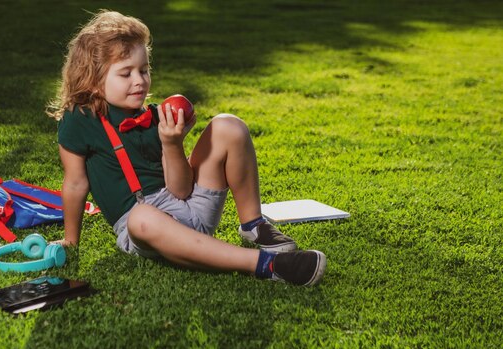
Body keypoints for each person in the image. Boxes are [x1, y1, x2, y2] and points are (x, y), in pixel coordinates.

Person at [47, 10, 326, 286]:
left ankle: (254, 225)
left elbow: (180, 190)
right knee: (141, 217)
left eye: (144, 70)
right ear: (94, 81)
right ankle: (267, 265)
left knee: (228, 126)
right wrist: (71, 239)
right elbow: (74, 183)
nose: (139, 80)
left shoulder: (157, 116)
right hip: (145, 228)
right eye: (126, 73)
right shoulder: (80, 119)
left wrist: (172, 142)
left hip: (188, 207)